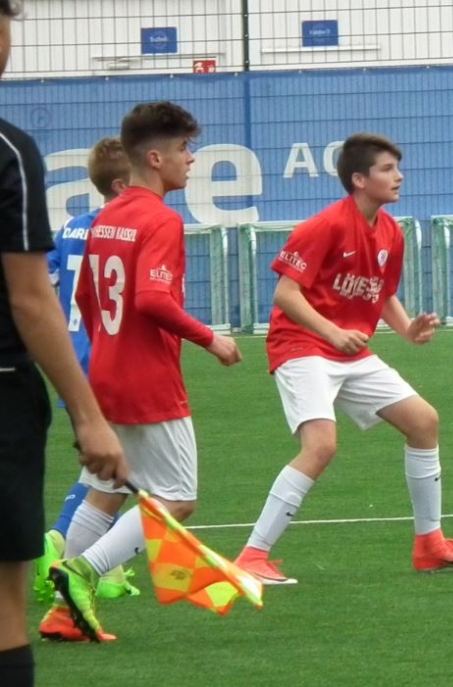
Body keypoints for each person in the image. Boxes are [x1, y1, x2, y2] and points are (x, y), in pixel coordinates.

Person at [234, 133, 453, 585]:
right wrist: (333, 331)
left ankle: (430, 545)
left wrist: (407, 329)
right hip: (302, 345)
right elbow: (285, 294)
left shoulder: (391, 231)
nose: (399, 176)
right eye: (387, 169)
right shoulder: (324, 226)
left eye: (397, 168)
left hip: (349, 350)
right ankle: (251, 557)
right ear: (358, 179)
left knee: (423, 422)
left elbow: (382, 292)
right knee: (321, 447)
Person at [43, 101, 242, 642]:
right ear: (155, 158)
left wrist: (109, 346)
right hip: (147, 381)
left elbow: (85, 298)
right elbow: (153, 299)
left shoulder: (105, 218)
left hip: (104, 373)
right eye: (183, 149)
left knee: (104, 490)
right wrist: (211, 339)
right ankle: (83, 572)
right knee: (177, 498)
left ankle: (63, 612)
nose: (191, 159)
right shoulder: (161, 219)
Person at [0, 1, 128, 682]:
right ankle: (80, 563)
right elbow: (31, 295)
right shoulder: (9, 150)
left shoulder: (81, 226)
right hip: (32, 375)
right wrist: (87, 413)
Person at [33, 137, 140, 609]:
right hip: (109, 356)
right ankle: (59, 543)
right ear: (122, 184)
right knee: (122, 471)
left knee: (106, 466)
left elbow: (46, 280)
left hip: (70, 358)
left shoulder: (72, 226)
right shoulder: (123, 229)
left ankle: (106, 572)